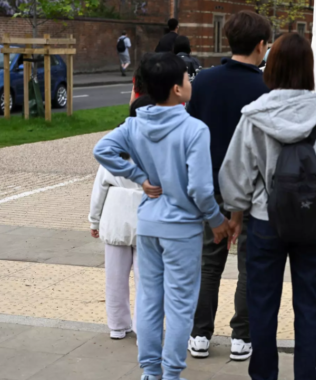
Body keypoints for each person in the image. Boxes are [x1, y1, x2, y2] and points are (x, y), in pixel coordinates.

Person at [218, 33, 316, 380]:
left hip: (265, 222)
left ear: (274, 66)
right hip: (315, 220)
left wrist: (236, 217)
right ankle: (305, 375)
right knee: (310, 301)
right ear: (309, 68)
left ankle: (264, 374)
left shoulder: (254, 116)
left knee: (262, 301)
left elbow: (236, 173)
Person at [93, 53, 230, 380]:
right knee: (181, 305)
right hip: (182, 228)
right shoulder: (195, 129)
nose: (189, 82)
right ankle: (171, 374)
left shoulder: (134, 124)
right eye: (186, 78)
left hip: (149, 223)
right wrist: (216, 220)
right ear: (177, 90)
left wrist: (138, 176)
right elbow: (199, 187)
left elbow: (102, 150)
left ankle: (151, 373)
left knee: (150, 300)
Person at [185, 10, 271, 362]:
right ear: (261, 46)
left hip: (209, 189)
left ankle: (200, 334)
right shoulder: (266, 87)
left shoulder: (202, 82)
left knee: (208, 262)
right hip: (252, 190)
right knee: (250, 265)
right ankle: (241, 337)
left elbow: (189, 134)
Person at [88, 96, 154, 341]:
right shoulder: (159, 145)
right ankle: (144, 326)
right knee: (146, 279)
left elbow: (99, 189)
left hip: (115, 215)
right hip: (147, 217)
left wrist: (94, 222)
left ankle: (117, 325)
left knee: (115, 278)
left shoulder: (113, 145)